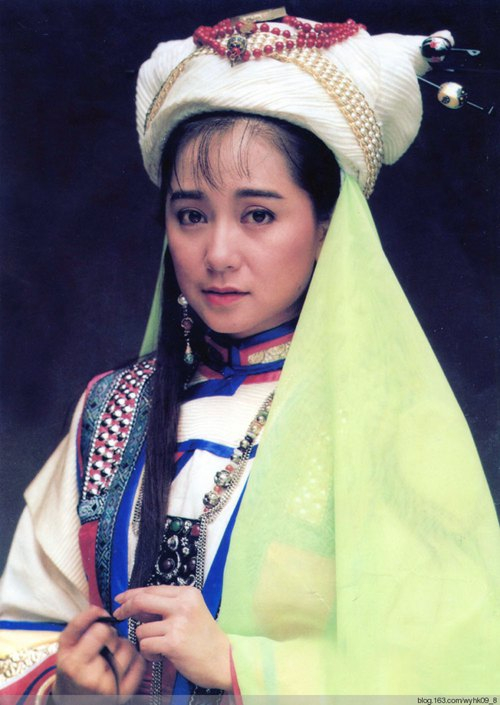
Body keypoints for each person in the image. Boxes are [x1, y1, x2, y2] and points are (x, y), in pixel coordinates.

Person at [1, 10, 499, 702]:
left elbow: (455, 677)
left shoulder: (387, 423)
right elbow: (22, 624)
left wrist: (242, 666)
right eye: (191, 214)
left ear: (326, 229)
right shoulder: (113, 412)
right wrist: (65, 690)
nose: (218, 253)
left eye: (258, 214)